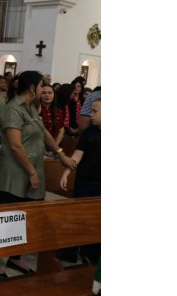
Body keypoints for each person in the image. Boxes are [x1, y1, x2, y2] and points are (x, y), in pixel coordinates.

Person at [0, 71, 75, 278]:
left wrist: (60, 154)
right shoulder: (12, 108)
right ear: (33, 87)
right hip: (15, 172)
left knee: (26, 217)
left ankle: (15, 256)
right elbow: (16, 145)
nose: (45, 89)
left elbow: (43, 132)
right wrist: (32, 171)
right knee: (6, 217)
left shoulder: (30, 107)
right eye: (43, 85)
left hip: (32, 169)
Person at [58, 98, 101, 264]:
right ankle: (72, 251)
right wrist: (66, 172)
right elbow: (77, 155)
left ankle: (91, 254)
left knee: (97, 220)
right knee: (78, 216)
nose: (91, 115)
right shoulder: (88, 133)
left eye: (95, 111)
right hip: (84, 181)